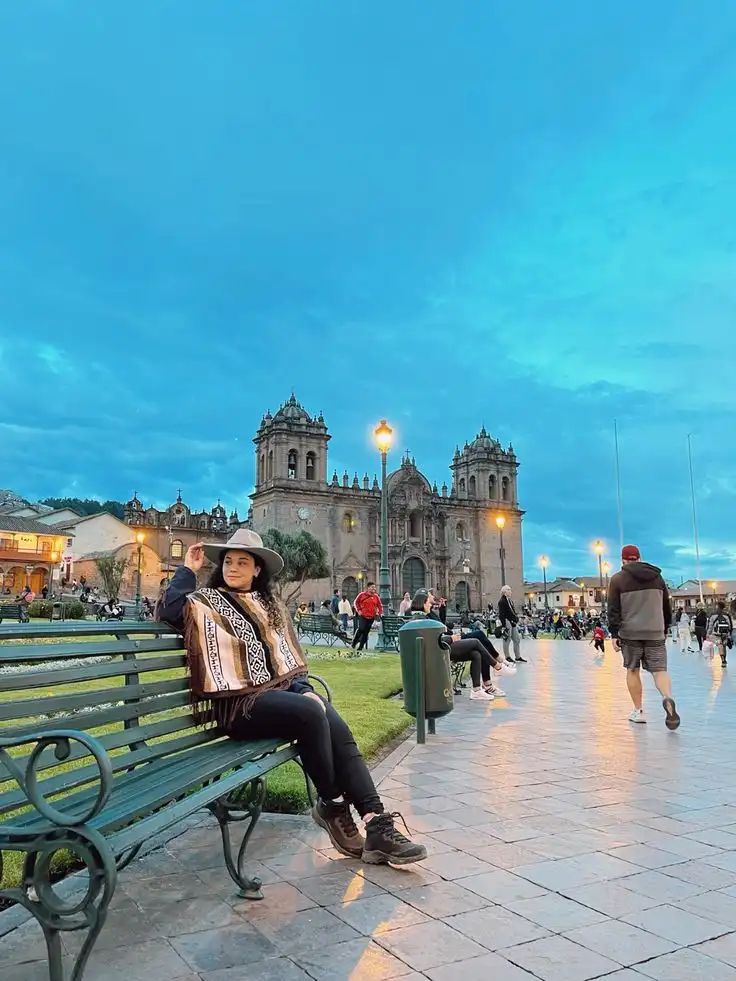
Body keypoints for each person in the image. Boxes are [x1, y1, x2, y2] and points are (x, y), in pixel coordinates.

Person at [157, 529, 426, 867]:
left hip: (278, 699)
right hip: (239, 708)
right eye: (228, 562)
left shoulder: (269, 606)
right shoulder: (206, 602)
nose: (233, 568)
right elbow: (170, 611)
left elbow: (284, 664)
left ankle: (376, 822)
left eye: (242, 562)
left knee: (328, 716)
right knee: (309, 714)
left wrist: (305, 690)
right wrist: (187, 569)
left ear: (257, 569)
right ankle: (332, 805)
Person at [608, 544, 679, 730]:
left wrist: (614, 633)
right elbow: (666, 606)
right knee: (660, 670)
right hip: (655, 631)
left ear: (623, 560)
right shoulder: (657, 577)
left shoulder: (617, 579)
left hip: (630, 633)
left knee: (632, 670)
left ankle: (638, 711)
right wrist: (665, 627)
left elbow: (613, 609)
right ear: (639, 558)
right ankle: (667, 697)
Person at [411, 589, 515, 700]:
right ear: (423, 602)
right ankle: (498, 667)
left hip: (443, 645)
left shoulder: (425, 616)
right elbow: (434, 639)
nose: (431, 602)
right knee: (476, 641)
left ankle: (477, 691)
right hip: (441, 649)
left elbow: (440, 629)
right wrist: (451, 638)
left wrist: (443, 610)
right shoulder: (422, 619)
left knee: (476, 653)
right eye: (429, 599)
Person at [499, 585, 527, 662]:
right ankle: (507, 656)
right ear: (505, 592)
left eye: (510, 590)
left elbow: (512, 611)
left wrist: (516, 618)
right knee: (507, 639)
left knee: (517, 639)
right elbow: (501, 615)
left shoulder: (510, 600)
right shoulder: (502, 601)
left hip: (513, 622)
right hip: (507, 621)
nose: (510, 591)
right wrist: (504, 625)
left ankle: (518, 656)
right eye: (509, 590)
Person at [352, 581, 383, 651]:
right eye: (372, 587)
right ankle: (354, 642)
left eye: (374, 587)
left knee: (366, 632)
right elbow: (356, 602)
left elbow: (379, 605)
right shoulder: (361, 595)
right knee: (361, 629)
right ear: (368, 588)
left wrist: (380, 613)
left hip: (371, 617)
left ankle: (361, 647)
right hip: (363, 615)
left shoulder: (376, 596)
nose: (374, 588)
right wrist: (358, 610)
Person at [708, 601, 733, 667]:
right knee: (724, 646)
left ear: (717, 606)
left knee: (720, 645)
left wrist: (708, 633)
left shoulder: (713, 615)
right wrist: (729, 633)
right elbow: (730, 625)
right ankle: (725, 659)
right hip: (725, 633)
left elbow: (710, 625)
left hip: (716, 633)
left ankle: (722, 660)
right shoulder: (726, 615)